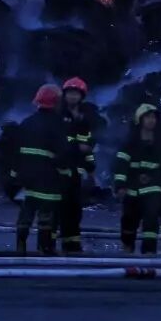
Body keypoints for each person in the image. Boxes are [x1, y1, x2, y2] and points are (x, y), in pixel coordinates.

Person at [8, 84, 72, 255]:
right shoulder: (57, 124)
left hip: (26, 179)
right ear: (56, 102)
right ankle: (45, 248)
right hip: (48, 179)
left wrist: (15, 176)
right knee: (46, 215)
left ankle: (20, 246)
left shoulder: (27, 122)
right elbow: (64, 153)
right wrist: (66, 174)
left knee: (26, 212)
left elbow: (15, 151)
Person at [114, 104, 161, 255]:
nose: (151, 120)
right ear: (139, 120)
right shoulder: (130, 142)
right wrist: (120, 186)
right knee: (129, 220)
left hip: (153, 187)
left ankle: (149, 251)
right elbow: (121, 165)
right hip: (131, 188)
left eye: (153, 117)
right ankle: (127, 246)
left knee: (151, 217)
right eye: (147, 117)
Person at [58, 76, 100, 253]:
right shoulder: (58, 115)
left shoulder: (84, 118)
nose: (73, 97)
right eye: (70, 93)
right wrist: (77, 146)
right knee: (59, 207)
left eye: (76, 93)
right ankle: (49, 243)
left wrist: (91, 171)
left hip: (76, 170)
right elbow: (59, 141)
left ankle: (72, 243)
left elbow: (88, 147)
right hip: (59, 169)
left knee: (75, 208)